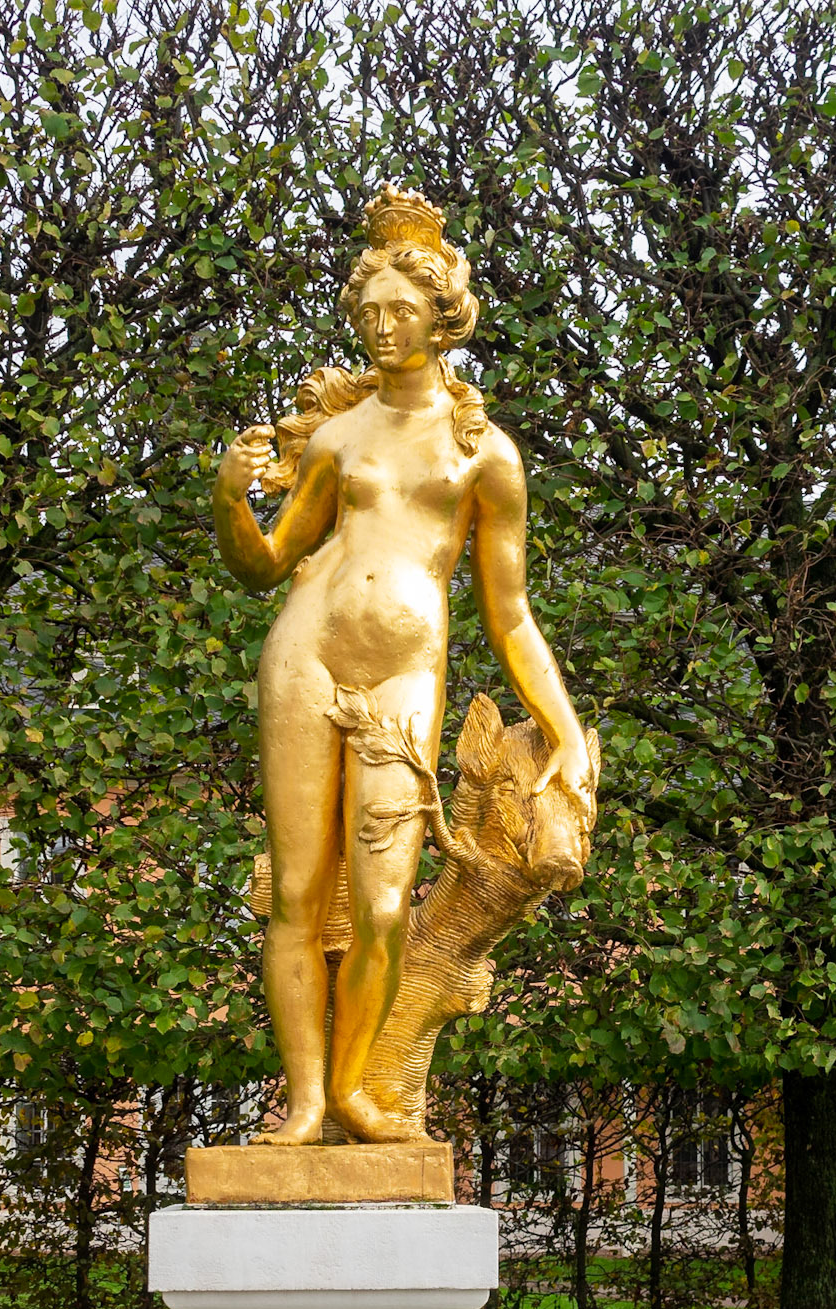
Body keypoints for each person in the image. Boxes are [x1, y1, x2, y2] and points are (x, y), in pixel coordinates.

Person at [213, 184, 596, 1145]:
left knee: (385, 903)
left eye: (400, 310)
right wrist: (228, 499)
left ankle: (355, 1091)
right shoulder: (337, 439)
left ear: (443, 317)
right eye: (368, 313)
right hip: (304, 656)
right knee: (301, 893)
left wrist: (561, 724)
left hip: (401, 679)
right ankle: (306, 1105)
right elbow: (263, 565)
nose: (381, 328)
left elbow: (509, 615)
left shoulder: (485, 454)